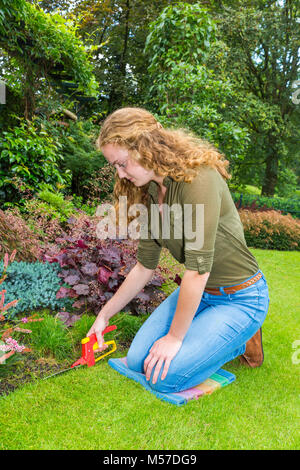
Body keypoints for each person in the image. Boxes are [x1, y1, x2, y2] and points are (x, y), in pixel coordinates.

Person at [87, 107, 270, 394]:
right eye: (115, 167)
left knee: (166, 378)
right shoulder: (148, 193)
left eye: (122, 163)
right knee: (137, 361)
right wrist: (104, 315)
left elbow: (198, 271)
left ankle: (240, 338)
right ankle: (209, 329)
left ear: (145, 147)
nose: (120, 174)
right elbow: (144, 267)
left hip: (240, 297)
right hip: (202, 294)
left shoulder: (198, 180)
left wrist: (174, 337)